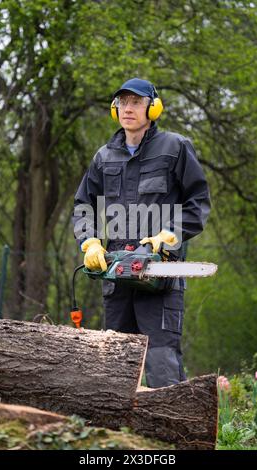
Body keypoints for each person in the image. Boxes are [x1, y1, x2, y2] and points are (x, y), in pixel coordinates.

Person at [72, 78, 210, 388]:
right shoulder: (104, 156)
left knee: (161, 362)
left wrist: (169, 234)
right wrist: (90, 241)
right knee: (117, 364)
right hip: (117, 273)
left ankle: (173, 432)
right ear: (114, 109)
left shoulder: (175, 147)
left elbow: (198, 203)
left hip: (160, 272)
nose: (128, 108)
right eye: (123, 102)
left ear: (153, 107)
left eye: (136, 102)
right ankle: (122, 437)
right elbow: (83, 205)